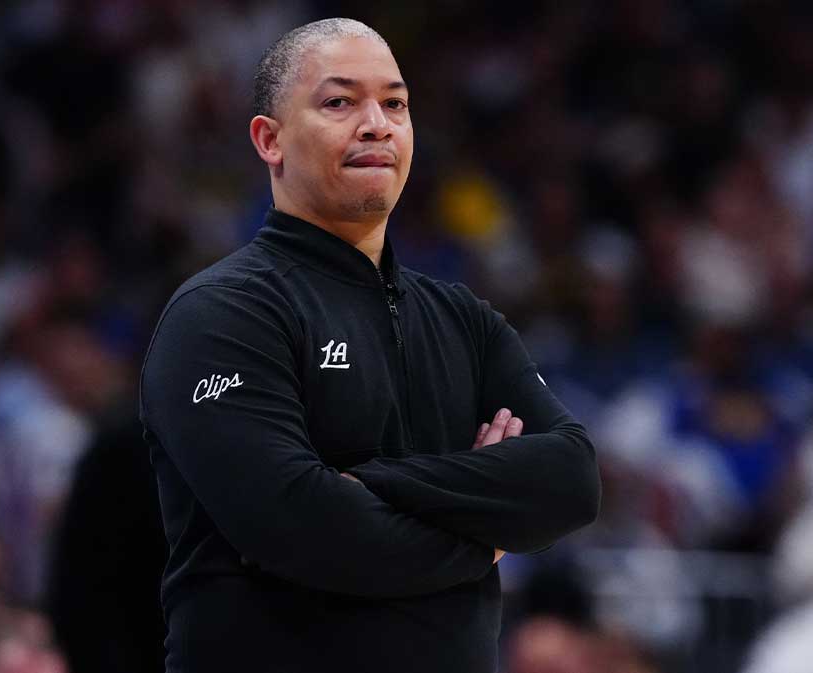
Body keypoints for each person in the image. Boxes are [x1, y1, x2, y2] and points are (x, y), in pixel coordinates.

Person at [139, 17, 601, 673]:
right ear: (270, 140)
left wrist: (367, 484)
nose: (377, 123)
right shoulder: (221, 315)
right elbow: (301, 526)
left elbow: (572, 480)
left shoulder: (464, 319)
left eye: (395, 103)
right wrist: (486, 533)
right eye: (339, 101)